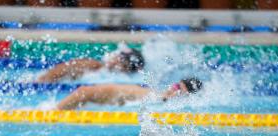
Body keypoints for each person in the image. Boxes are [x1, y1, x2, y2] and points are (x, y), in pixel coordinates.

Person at [56, 77, 203, 110]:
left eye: (179, 90)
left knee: (83, 93)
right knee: (83, 93)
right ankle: (54, 111)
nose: (174, 89)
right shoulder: (160, 94)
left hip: (117, 95)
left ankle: (53, 112)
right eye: (176, 85)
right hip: (115, 93)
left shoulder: (163, 97)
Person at [37, 48, 145, 82]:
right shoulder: (95, 66)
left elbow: (62, 68)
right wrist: (41, 81)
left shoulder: (97, 67)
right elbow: (61, 69)